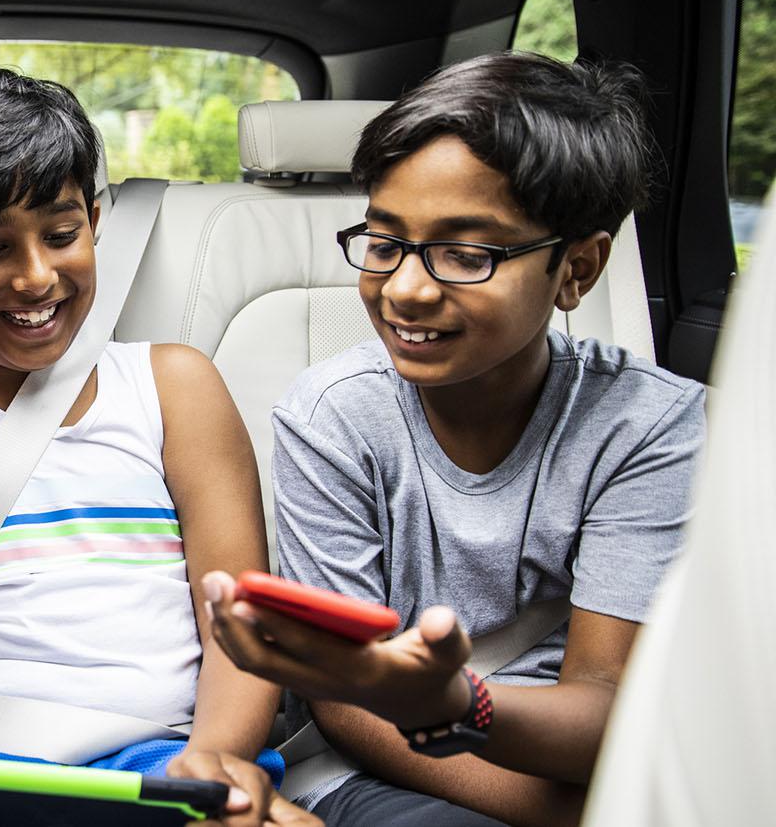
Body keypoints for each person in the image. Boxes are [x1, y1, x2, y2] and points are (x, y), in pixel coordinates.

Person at [202, 52, 707, 827]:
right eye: (383, 243)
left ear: (577, 269)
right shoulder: (335, 416)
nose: (405, 287)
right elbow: (346, 704)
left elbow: (608, 699)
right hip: (376, 767)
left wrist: (463, 704)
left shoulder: (651, 426)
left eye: (467, 255)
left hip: (571, 761)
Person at [0, 70, 320, 827]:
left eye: (62, 235)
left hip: (159, 759)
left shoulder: (173, 387)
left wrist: (213, 761)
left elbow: (242, 623)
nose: (36, 276)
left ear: (94, 222)